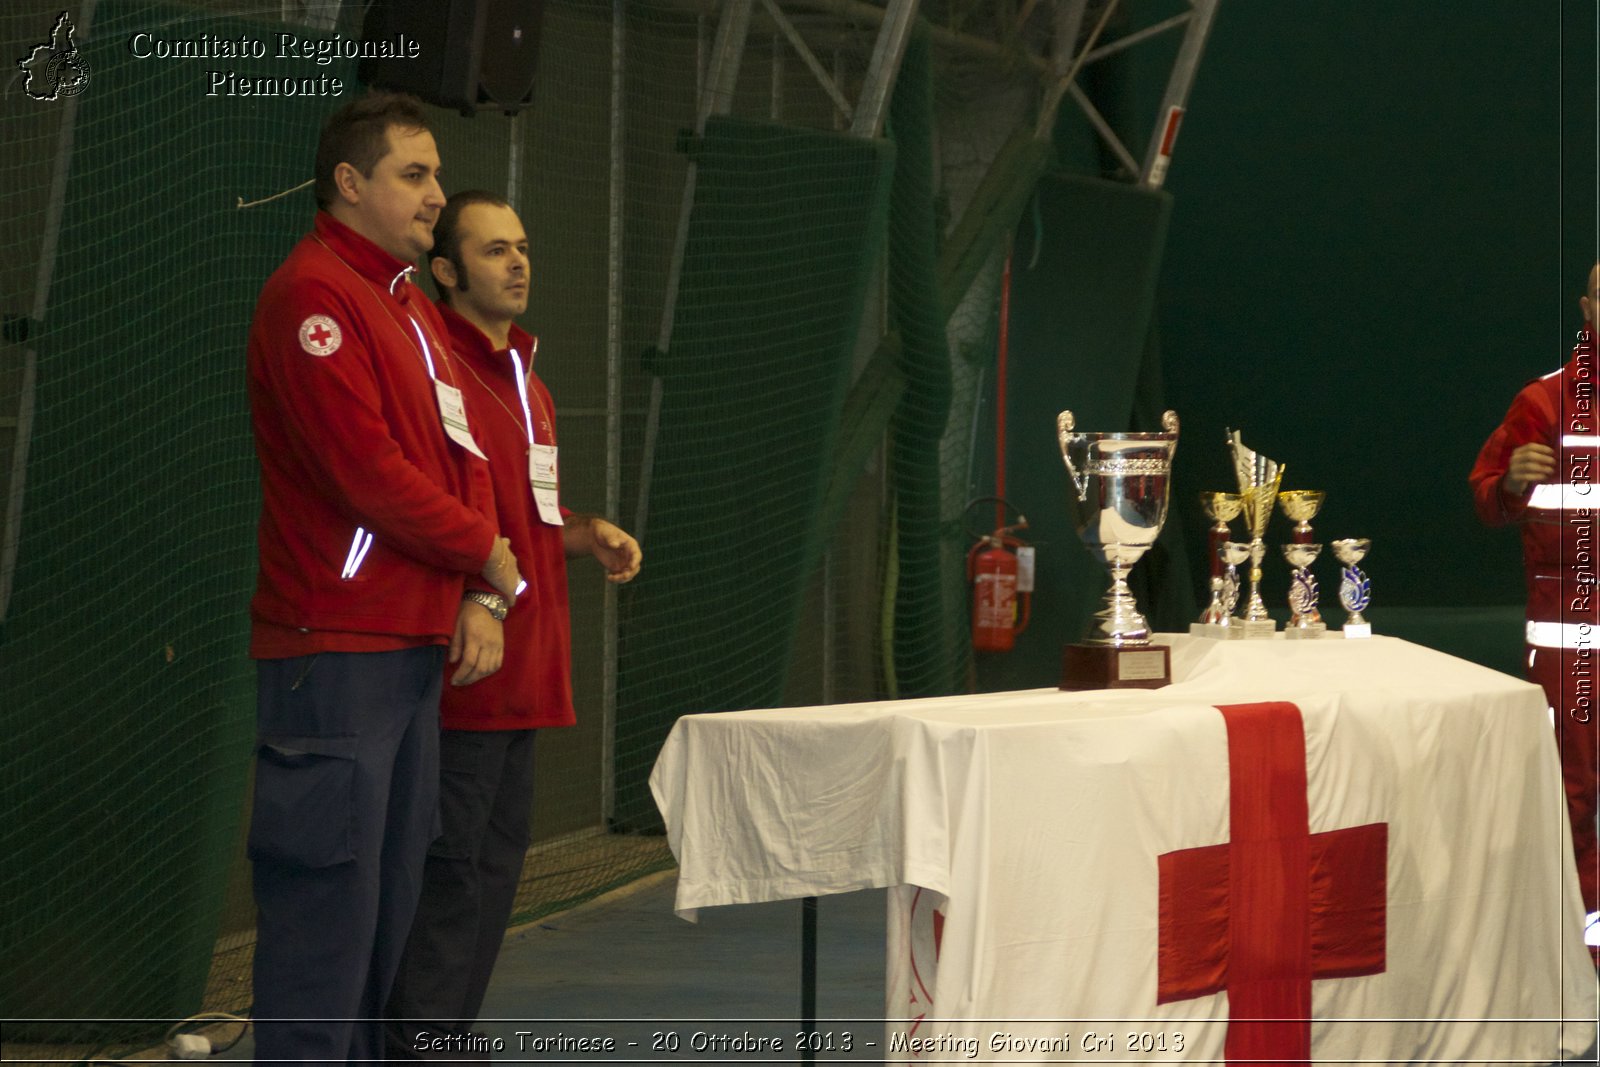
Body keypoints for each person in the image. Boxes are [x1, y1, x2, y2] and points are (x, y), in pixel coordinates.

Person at [246, 93, 524, 1063]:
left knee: (386, 912)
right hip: (334, 653)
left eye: (438, 175)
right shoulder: (313, 297)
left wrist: (479, 591)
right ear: (350, 184)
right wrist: (483, 552)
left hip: (412, 651)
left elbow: (466, 457)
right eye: (415, 175)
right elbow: (364, 474)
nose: (436, 196)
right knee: (325, 914)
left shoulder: (406, 304)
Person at [384, 190, 641, 1055]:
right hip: (466, 670)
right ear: (447, 270)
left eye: (523, 246)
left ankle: (449, 1034)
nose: (519, 262)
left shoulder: (530, 381)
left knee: (493, 874)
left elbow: (526, 512)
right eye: (495, 251)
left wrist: (582, 531)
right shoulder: (437, 371)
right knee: (448, 874)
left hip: (530, 674)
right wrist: (484, 599)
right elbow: (448, 512)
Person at [1471, 262, 1600, 959]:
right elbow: (1487, 491)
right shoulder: (1545, 402)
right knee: (1568, 801)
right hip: (1571, 648)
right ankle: (1583, 952)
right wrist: (1512, 482)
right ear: (1587, 306)